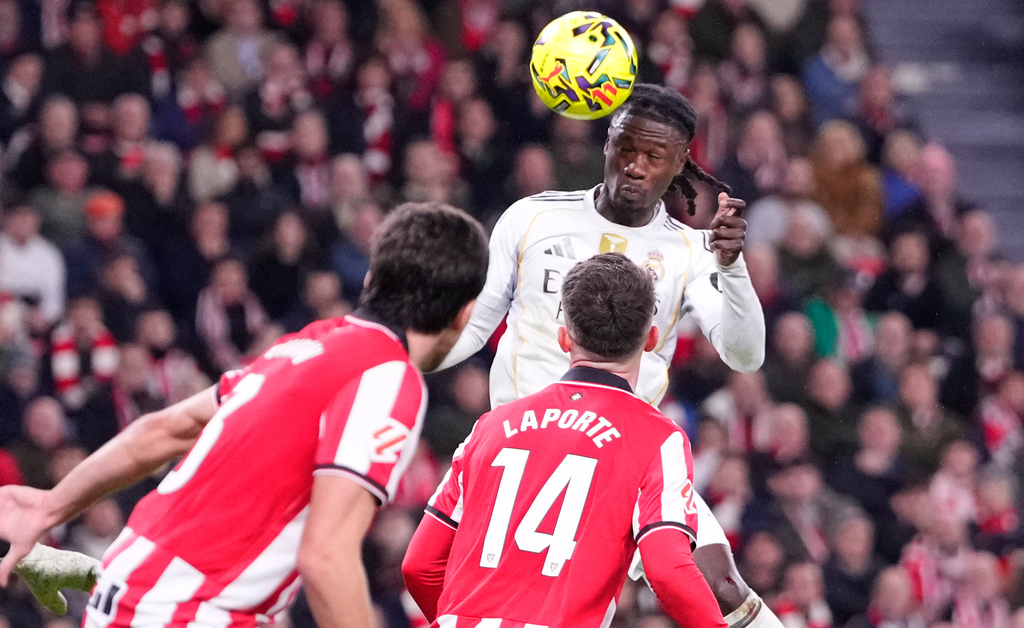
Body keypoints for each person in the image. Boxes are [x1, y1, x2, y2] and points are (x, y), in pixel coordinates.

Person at [0, 203, 490, 628]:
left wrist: (48, 507)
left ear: (370, 279)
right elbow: (325, 558)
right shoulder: (389, 377)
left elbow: (164, 429)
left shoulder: (303, 345)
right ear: (464, 314)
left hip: (134, 589)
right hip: (183, 610)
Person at [434, 84, 775, 627]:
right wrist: (401, 357)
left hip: (624, 458)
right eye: (626, 148)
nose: (635, 166)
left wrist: (732, 269)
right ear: (607, 144)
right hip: (525, 451)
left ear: (680, 164)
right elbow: (474, 327)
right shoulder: (532, 218)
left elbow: (745, 355)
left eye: (654, 156)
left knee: (721, 585)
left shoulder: (690, 250)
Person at [402, 253, 728, 628]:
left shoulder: (490, 427)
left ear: (564, 337)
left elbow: (419, 566)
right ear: (652, 338)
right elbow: (668, 569)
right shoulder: (658, 438)